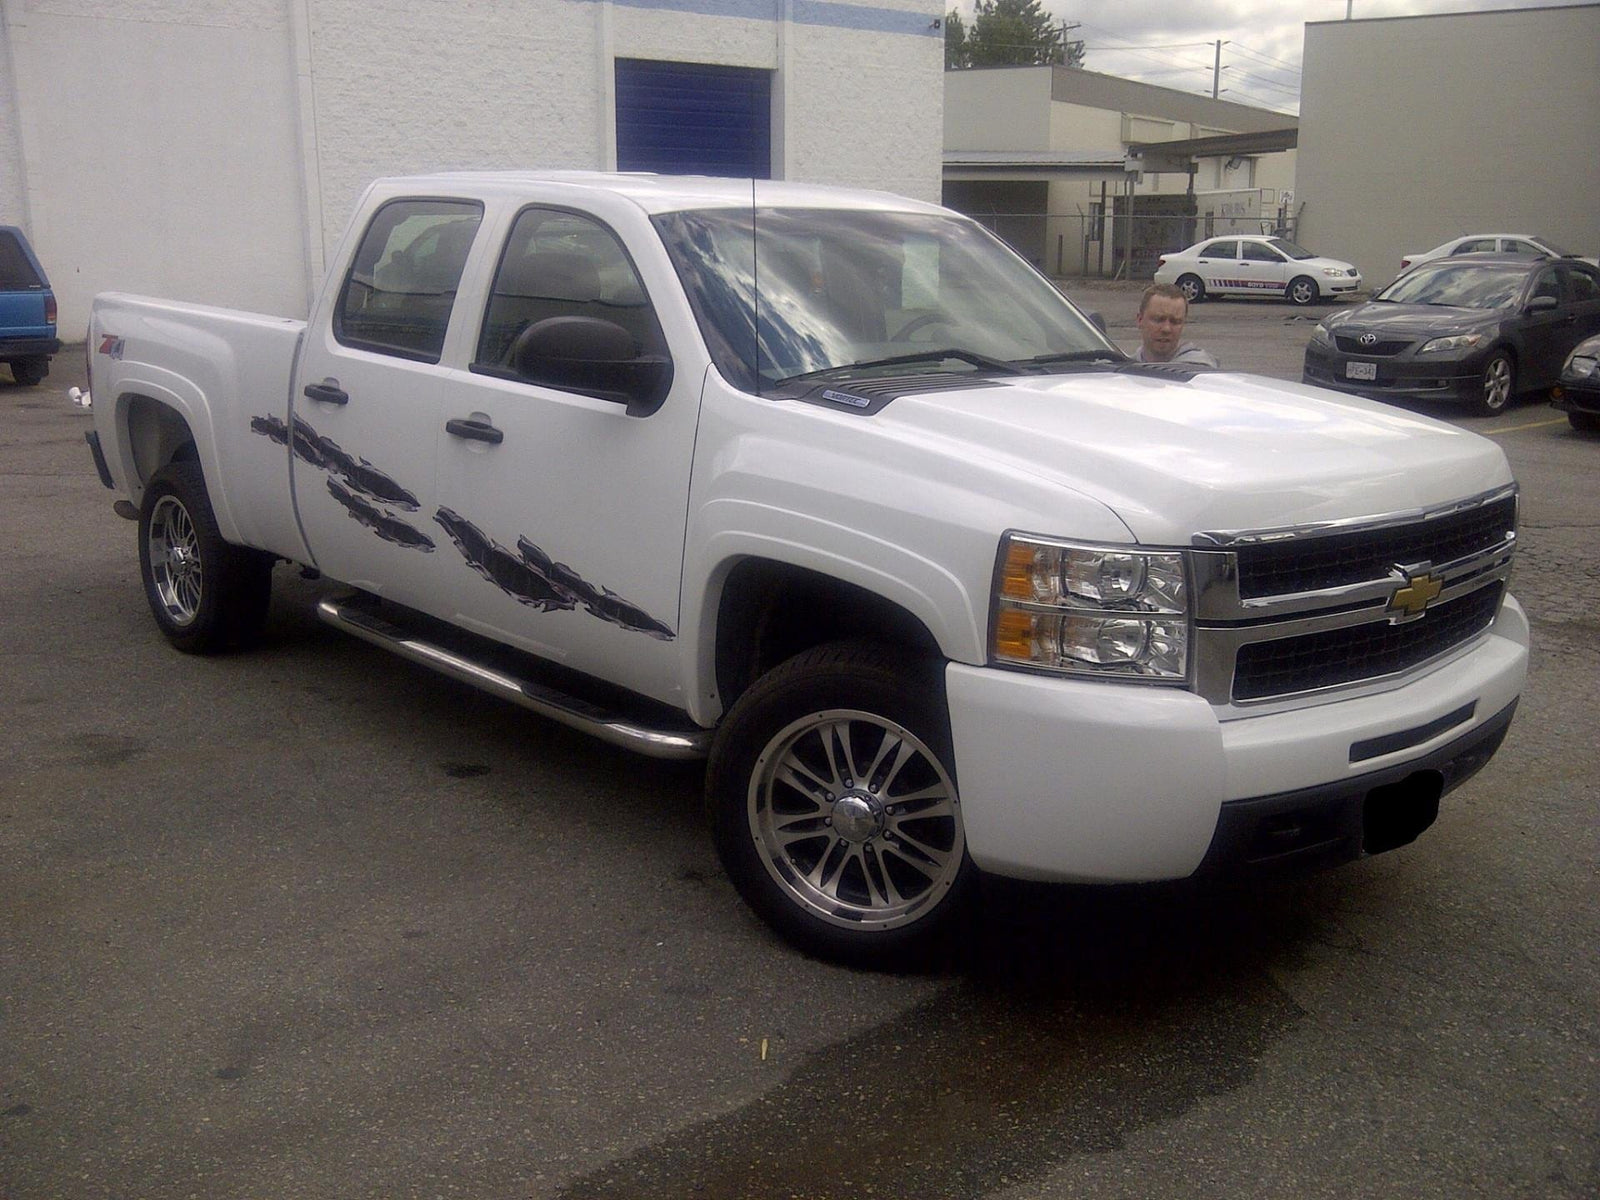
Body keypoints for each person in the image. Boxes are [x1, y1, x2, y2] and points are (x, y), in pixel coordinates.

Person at [1132, 283, 1219, 367]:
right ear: (1140, 320)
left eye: (1175, 322)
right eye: (1158, 320)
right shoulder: (1125, 370)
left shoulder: (1200, 371)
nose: (1166, 329)